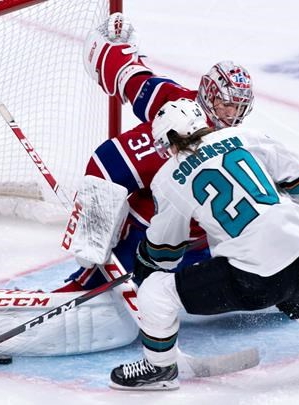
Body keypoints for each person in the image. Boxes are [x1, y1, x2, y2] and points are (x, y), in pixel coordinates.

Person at [108, 99, 299, 391]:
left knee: (155, 292)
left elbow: (165, 253)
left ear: (170, 140)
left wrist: (144, 262)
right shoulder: (246, 136)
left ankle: (159, 368)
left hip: (254, 279)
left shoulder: (169, 176)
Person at [55, 13, 254, 291]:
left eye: (239, 108)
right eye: (227, 105)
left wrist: (120, 61)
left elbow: (135, 79)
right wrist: (92, 237)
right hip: (147, 237)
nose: (233, 115)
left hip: (204, 242)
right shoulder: (178, 130)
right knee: (93, 290)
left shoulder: (226, 132)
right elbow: (107, 163)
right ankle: (86, 286)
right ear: (209, 95)